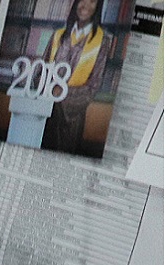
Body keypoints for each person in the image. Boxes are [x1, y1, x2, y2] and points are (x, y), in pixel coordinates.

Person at [41, 0, 108, 153]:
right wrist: (48, 90)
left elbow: (94, 85)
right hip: (45, 110)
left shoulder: (101, 41)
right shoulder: (58, 35)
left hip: (72, 117)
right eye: (82, 0)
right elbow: (40, 71)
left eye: (92, 1)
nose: (86, 5)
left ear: (98, 7)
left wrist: (63, 93)